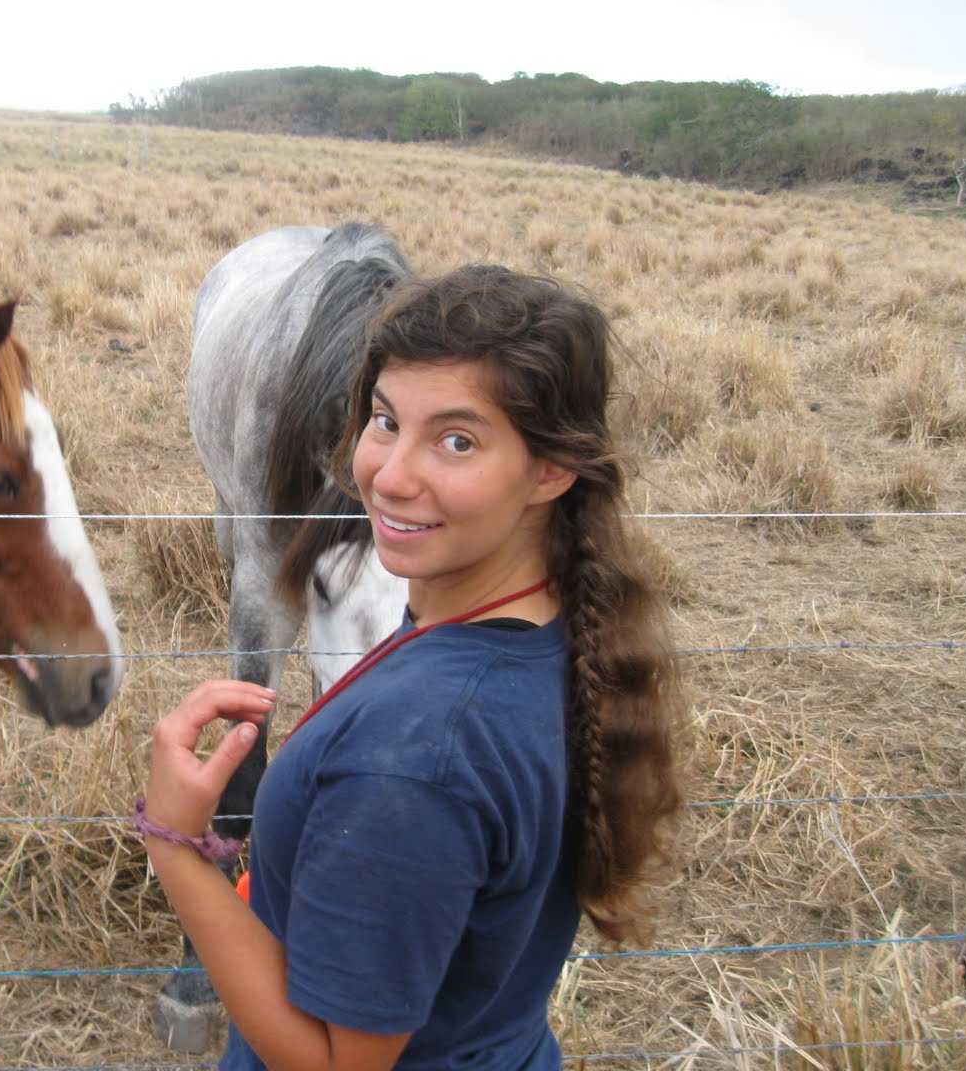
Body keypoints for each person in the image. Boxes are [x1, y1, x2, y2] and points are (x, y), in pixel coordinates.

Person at [139, 264, 684, 1070]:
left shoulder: (415, 761)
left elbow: (335, 1063)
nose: (389, 477)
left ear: (552, 469)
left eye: (456, 441)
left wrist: (177, 845)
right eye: (386, 421)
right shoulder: (556, 629)